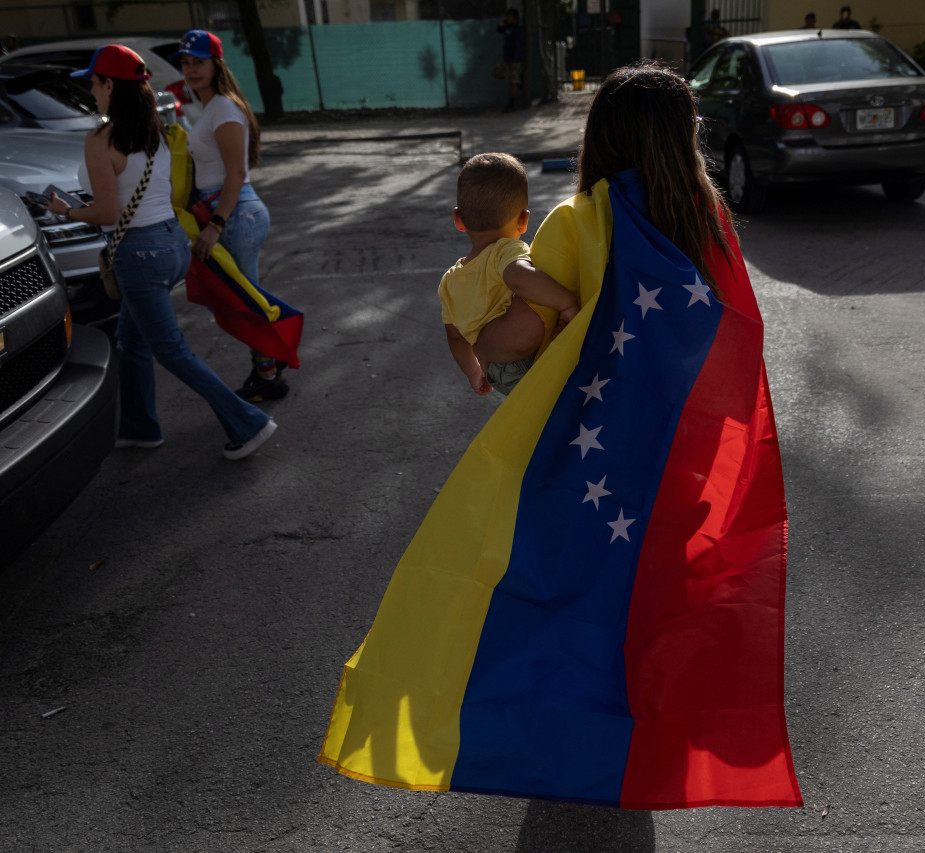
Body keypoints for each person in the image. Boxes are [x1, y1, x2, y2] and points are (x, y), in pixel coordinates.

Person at [318, 61, 799, 809]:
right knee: (651, 600)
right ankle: (646, 747)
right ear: (684, 140)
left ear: (600, 137)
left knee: (569, 597)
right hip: (676, 455)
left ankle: (573, 750)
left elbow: (518, 342)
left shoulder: (580, 221)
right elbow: (732, 342)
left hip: (589, 455)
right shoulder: (709, 226)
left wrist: (477, 326)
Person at [45, 44, 276, 460]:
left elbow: (107, 211)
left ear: (110, 85)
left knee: (170, 350)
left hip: (139, 254)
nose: (92, 93)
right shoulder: (159, 132)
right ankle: (139, 427)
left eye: (95, 84)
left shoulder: (101, 138)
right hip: (171, 244)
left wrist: (66, 210)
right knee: (131, 341)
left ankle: (248, 422)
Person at [174, 29, 291, 403]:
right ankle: (275, 353)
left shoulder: (223, 108)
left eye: (199, 63)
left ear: (216, 65)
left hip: (234, 214)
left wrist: (215, 224)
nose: (192, 70)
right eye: (186, 63)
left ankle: (269, 373)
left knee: (242, 303)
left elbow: (235, 174)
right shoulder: (212, 108)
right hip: (229, 211)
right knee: (245, 297)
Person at [439, 152, 578, 396]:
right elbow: (518, 277)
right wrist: (566, 302)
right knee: (540, 282)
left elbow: (455, 338)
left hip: (497, 374)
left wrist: (473, 372)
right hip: (523, 355)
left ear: (458, 219)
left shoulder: (449, 280)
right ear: (523, 220)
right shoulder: (505, 250)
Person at [496, 8, 524, 112]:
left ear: (515, 18)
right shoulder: (509, 28)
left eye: (510, 16)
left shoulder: (518, 29)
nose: (508, 18)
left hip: (513, 59)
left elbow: (519, 46)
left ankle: (511, 103)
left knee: (513, 81)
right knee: (497, 73)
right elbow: (499, 30)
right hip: (506, 58)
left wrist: (516, 60)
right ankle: (518, 84)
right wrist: (501, 24)